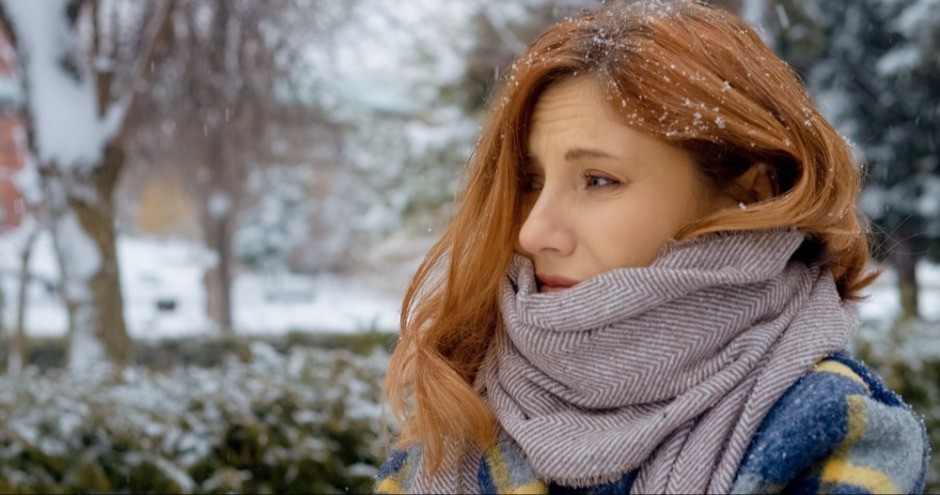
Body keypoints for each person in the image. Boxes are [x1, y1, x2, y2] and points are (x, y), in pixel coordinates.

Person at [375, 1, 929, 493]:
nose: (533, 233)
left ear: (749, 192)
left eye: (597, 180)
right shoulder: (458, 409)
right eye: (530, 181)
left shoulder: (827, 427)